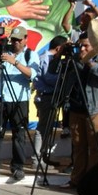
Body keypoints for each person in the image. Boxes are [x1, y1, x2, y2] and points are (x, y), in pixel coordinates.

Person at [0, 26, 40, 181]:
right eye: (13, 40)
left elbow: (32, 74)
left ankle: (17, 167)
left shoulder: (30, 54)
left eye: (18, 40)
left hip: (19, 100)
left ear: (25, 39)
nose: (15, 43)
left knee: (19, 134)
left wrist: (15, 62)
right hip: (0, 99)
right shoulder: (3, 52)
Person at [64, 17, 98, 188]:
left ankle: (92, 182)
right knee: (78, 146)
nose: (82, 49)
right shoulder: (76, 59)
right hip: (77, 106)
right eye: (80, 46)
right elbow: (64, 76)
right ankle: (76, 180)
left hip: (97, 108)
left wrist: (90, 62)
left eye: (86, 46)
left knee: (95, 147)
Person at [32, 36, 69, 168]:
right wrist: (64, 77)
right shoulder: (45, 58)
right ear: (59, 48)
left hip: (51, 96)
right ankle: (37, 159)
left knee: (47, 129)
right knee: (42, 128)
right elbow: (48, 77)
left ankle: (44, 157)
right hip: (45, 96)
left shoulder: (52, 58)